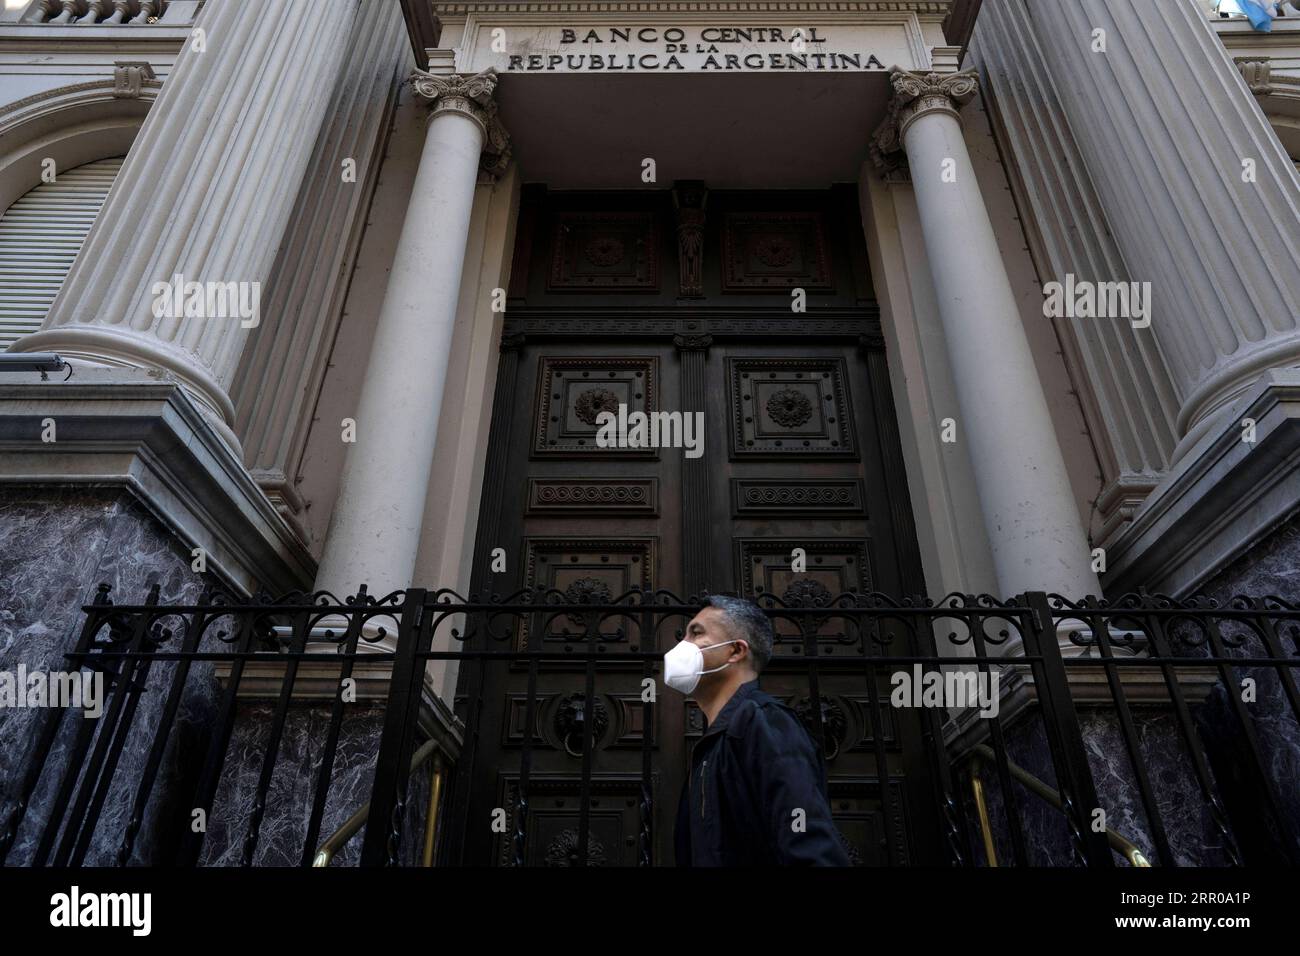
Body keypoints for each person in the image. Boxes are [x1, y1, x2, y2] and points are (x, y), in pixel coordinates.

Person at [669, 595, 851, 866]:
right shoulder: (714, 742)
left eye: (696, 633)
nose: (682, 646)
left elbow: (807, 839)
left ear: (735, 651)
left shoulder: (764, 722)